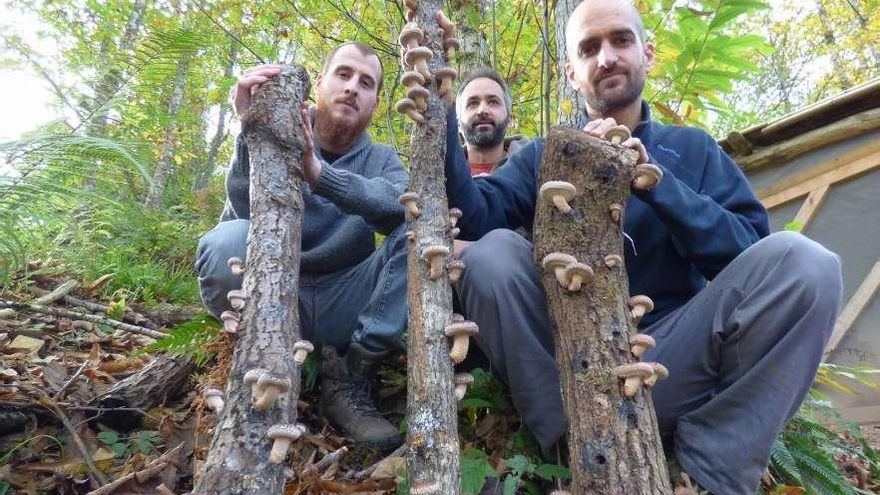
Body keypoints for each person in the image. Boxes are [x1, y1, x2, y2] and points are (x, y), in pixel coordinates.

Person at [441, 1, 843, 493]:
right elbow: (479, 217)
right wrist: (440, 116)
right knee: (491, 253)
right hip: (567, 367)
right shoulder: (548, 154)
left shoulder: (692, 149)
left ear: (647, 54)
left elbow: (750, 248)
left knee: (809, 263)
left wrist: (657, 182)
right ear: (571, 72)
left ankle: (712, 466)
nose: (606, 57)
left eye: (620, 41)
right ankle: (569, 445)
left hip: (671, 357)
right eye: (589, 49)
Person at [195, 42, 408, 451]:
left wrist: (320, 175)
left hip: (341, 300)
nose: (352, 88)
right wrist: (251, 129)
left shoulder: (381, 158)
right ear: (322, 84)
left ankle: (351, 377)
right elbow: (244, 208)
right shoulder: (279, 127)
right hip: (270, 290)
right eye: (343, 75)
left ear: (376, 104)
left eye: (366, 83)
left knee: (417, 232)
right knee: (226, 239)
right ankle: (252, 361)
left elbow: (397, 207)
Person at [455, 67, 528, 177]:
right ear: (458, 124)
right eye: (472, 103)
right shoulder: (442, 172)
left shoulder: (536, 167)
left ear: (510, 119)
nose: (482, 110)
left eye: (493, 102)